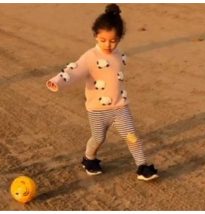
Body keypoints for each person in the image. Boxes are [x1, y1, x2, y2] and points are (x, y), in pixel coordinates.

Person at [46, 4, 158, 181]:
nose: (108, 44)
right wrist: (57, 81)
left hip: (120, 106)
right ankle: (89, 159)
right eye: (103, 40)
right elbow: (73, 70)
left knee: (132, 136)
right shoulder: (90, 56)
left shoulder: (119, 55)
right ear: (95, 36)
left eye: (113, 40)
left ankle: (142, 166)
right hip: (97, 110)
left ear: (119, 38)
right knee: (98, 138)